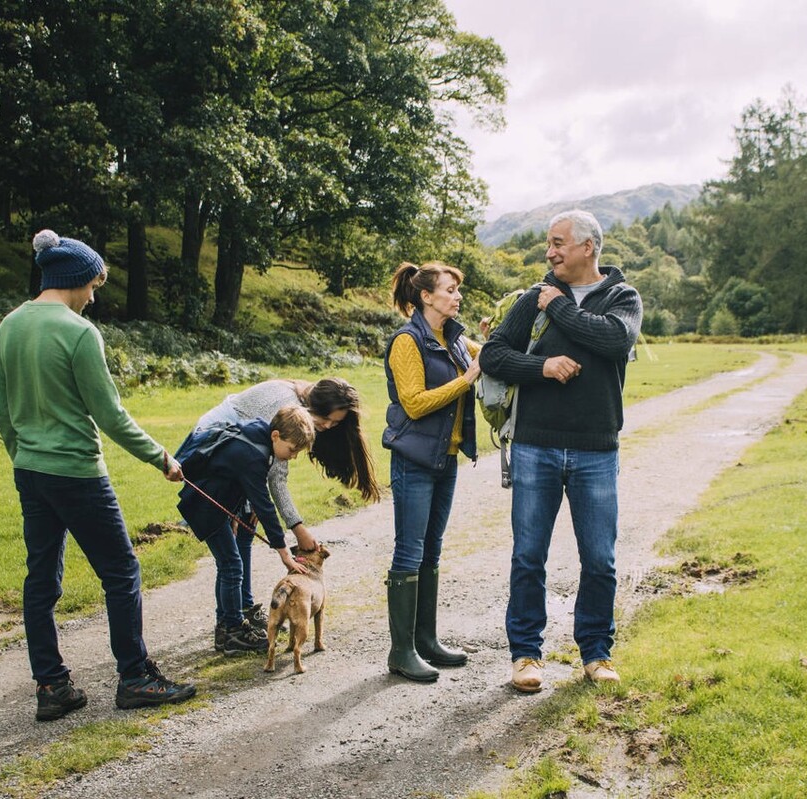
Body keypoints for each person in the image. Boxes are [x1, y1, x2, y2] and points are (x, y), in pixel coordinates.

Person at [0, 229, 197, 721]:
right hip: (78, 473)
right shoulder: (79, 332)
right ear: (75, 279)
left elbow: (3, 412)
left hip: (31, 472)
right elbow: (109, 415)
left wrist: (24, 454)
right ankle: (135, 678)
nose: (93, 296)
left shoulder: (9, 326)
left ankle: (52, 686)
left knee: (41, 579)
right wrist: (161, 457)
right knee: (121, 570)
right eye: (94, 285)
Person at [479, 210, 643, 693]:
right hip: (535, 446)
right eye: (548, 244)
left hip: (596, 450)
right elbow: (493, 354)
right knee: (529, 555)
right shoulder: (534, 297)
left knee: (600, 559)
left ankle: (596, 654)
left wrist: (562, 310)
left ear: (588, 247)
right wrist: (543, 366)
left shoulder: (622, 298)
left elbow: (614, 340)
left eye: (558, 243)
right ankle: (527, 655)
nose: (549, 252)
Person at [188, 377, 381, 638]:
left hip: (241, 453)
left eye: (335, 423)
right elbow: (275, 477)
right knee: (235, 542)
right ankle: (232, 623)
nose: (327, 426)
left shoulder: (303, 404)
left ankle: (243, 608)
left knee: (247, 526)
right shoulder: (286, 410)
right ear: (315, 405)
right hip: (218, 444)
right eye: (327, 418)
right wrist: (297, 528)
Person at [381, 261, 482, 682]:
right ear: (426, 296)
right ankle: (401, 651)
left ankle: (426, 640)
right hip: (415, 460)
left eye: (458, 290)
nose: (457, 297)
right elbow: (416, 403)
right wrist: (468, 380)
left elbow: (490, 353)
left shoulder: (456, 339)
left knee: (432, 550)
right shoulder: (408, 341)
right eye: (450, 290)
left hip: (447, 457)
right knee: (410, 549)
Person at [176, 405, 315, 655]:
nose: (292, 456)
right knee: (231, 565)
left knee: (228, 564)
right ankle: (232, 630)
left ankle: (225, 626)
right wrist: (284, 553)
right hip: (206, 506)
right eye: (292, 449)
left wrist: (234, 514)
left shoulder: (257, 436)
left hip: (214, 503)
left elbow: (232, 477)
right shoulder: (253, 455)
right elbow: (263, 505)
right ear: (275, 436)